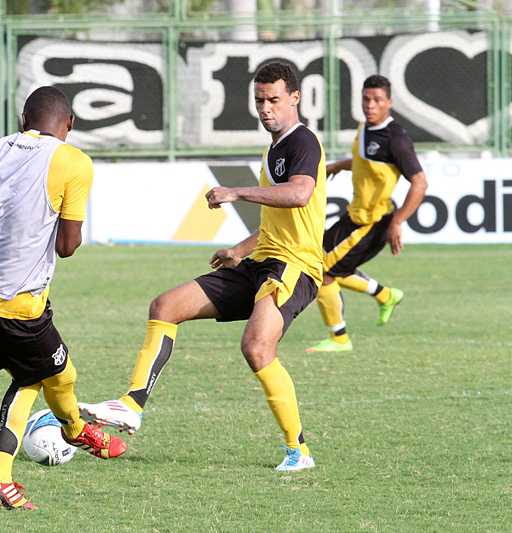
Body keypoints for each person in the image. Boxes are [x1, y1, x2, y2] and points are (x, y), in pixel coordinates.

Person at [79, 61, 325, 471]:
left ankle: (298, 451)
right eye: (260, 100)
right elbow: (278, 221)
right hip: (262, 261)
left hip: (295, 266)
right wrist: (241, 250)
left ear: (294, 99)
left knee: (256, 347)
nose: (266, 109)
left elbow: (300, 195)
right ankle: (131, 405)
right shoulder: (273, 148)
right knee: (165, 306)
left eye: (274, 100)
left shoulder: (303, 143)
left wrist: (236, 192)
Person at [0, 86, 127, 510]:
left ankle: (74, 428)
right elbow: (68, 246)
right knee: (32, 378)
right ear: (69, 124)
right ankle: (1, 477)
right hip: (17, 306)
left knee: (60, 372)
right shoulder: (74, 161)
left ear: (23, 120)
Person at [306, 75, 428, 353]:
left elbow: (420, 183)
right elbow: (364, 161)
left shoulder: (395, 139)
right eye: (366, 99)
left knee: (322, 269)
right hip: (355, 217)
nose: (370, 105)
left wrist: (398, 222)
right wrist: (339, 165)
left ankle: (339, 338)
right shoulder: (365, 128)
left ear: (389, 103)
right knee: (328, 265)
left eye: (377, 100)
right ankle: (386, 296)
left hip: (372, 223)